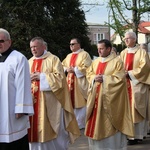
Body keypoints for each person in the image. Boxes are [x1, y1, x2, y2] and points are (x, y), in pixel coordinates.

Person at [28, 37, 80, 150]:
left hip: (50, 103)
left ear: (43, 47)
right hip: (32, 102)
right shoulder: (29, 61)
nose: (33, 50)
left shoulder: (53, 59)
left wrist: (41, 77)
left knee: (51, 130)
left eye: (35, 47)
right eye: (31, 47)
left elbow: (60, 79)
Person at [84, 39, 134, 150]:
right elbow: (89, 74)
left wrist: (105, 79)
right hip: (96, 99)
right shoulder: (95, 62)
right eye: (98, 49)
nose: (99, 51)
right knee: (95, 123)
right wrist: (93, 78)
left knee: (110, 124)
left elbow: (120, 78)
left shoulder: (117, 61)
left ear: (109, 49)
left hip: (110, 101)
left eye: (101, 48)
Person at [0, 28, 34, 150]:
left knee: (13, 143)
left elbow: (23, 84)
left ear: (9, 42)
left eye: (1, 41)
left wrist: (21, 108)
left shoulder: (18, 58)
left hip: (12, 112)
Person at [120, 31, 150, 145]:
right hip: (125, 85)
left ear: (134, 39)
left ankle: (138, 135)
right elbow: (118, 66)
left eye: (128, 38)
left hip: (137, 85)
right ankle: (128, 135)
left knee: (137, 109)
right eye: (125, 39)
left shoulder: (142, 52)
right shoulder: (123, 53)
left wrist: (131, 74)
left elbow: (145, 67)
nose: (126, 40)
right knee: (127, 110)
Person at [62, 38, 92, 129]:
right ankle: (73, 122)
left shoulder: (85, 55)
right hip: (69, 81)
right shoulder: (69, 56)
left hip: (79, 82)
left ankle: (81, 123)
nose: (71, 46)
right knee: (71, 102)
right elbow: (62, 65)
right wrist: (66, 69)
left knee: (80, 102)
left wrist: (74, 70)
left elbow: (87, 67)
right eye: (70, 44)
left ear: (78, 44)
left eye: (73, 44)